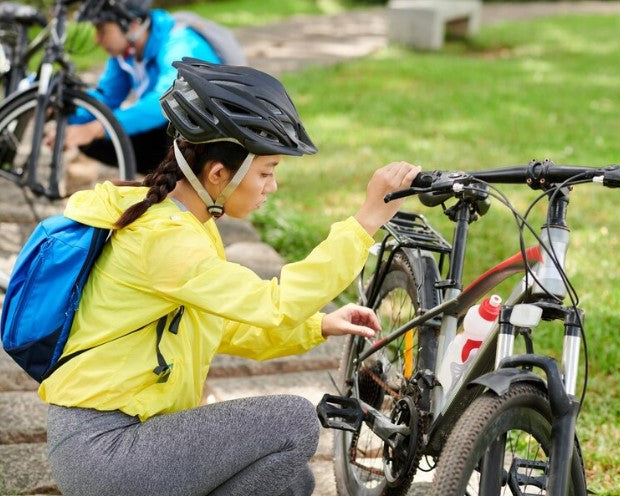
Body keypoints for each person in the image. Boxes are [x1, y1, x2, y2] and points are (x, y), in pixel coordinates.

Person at [38, 58, 421, 496]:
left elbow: (219, 327)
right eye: (266, 172)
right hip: (106, 450)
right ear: (218, 174)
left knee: (289, 480)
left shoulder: (182, 223)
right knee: (294, 421)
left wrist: (318, 325)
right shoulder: (164, 238)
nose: (271, 187)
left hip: (116, 445)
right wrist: (367, 219)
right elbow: (273, 303)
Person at [67, 0, 221, 174]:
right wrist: (68, 115)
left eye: (102, 29)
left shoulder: (180, 44)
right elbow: (106, 97)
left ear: (132, 25)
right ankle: (164, 182)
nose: (97, 38)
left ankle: (182, 185)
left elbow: (167, 102)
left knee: (101, 130)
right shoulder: (126, 53)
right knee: (85, 136)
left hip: (210, 140)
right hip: (176, 134)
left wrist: (96, 128)